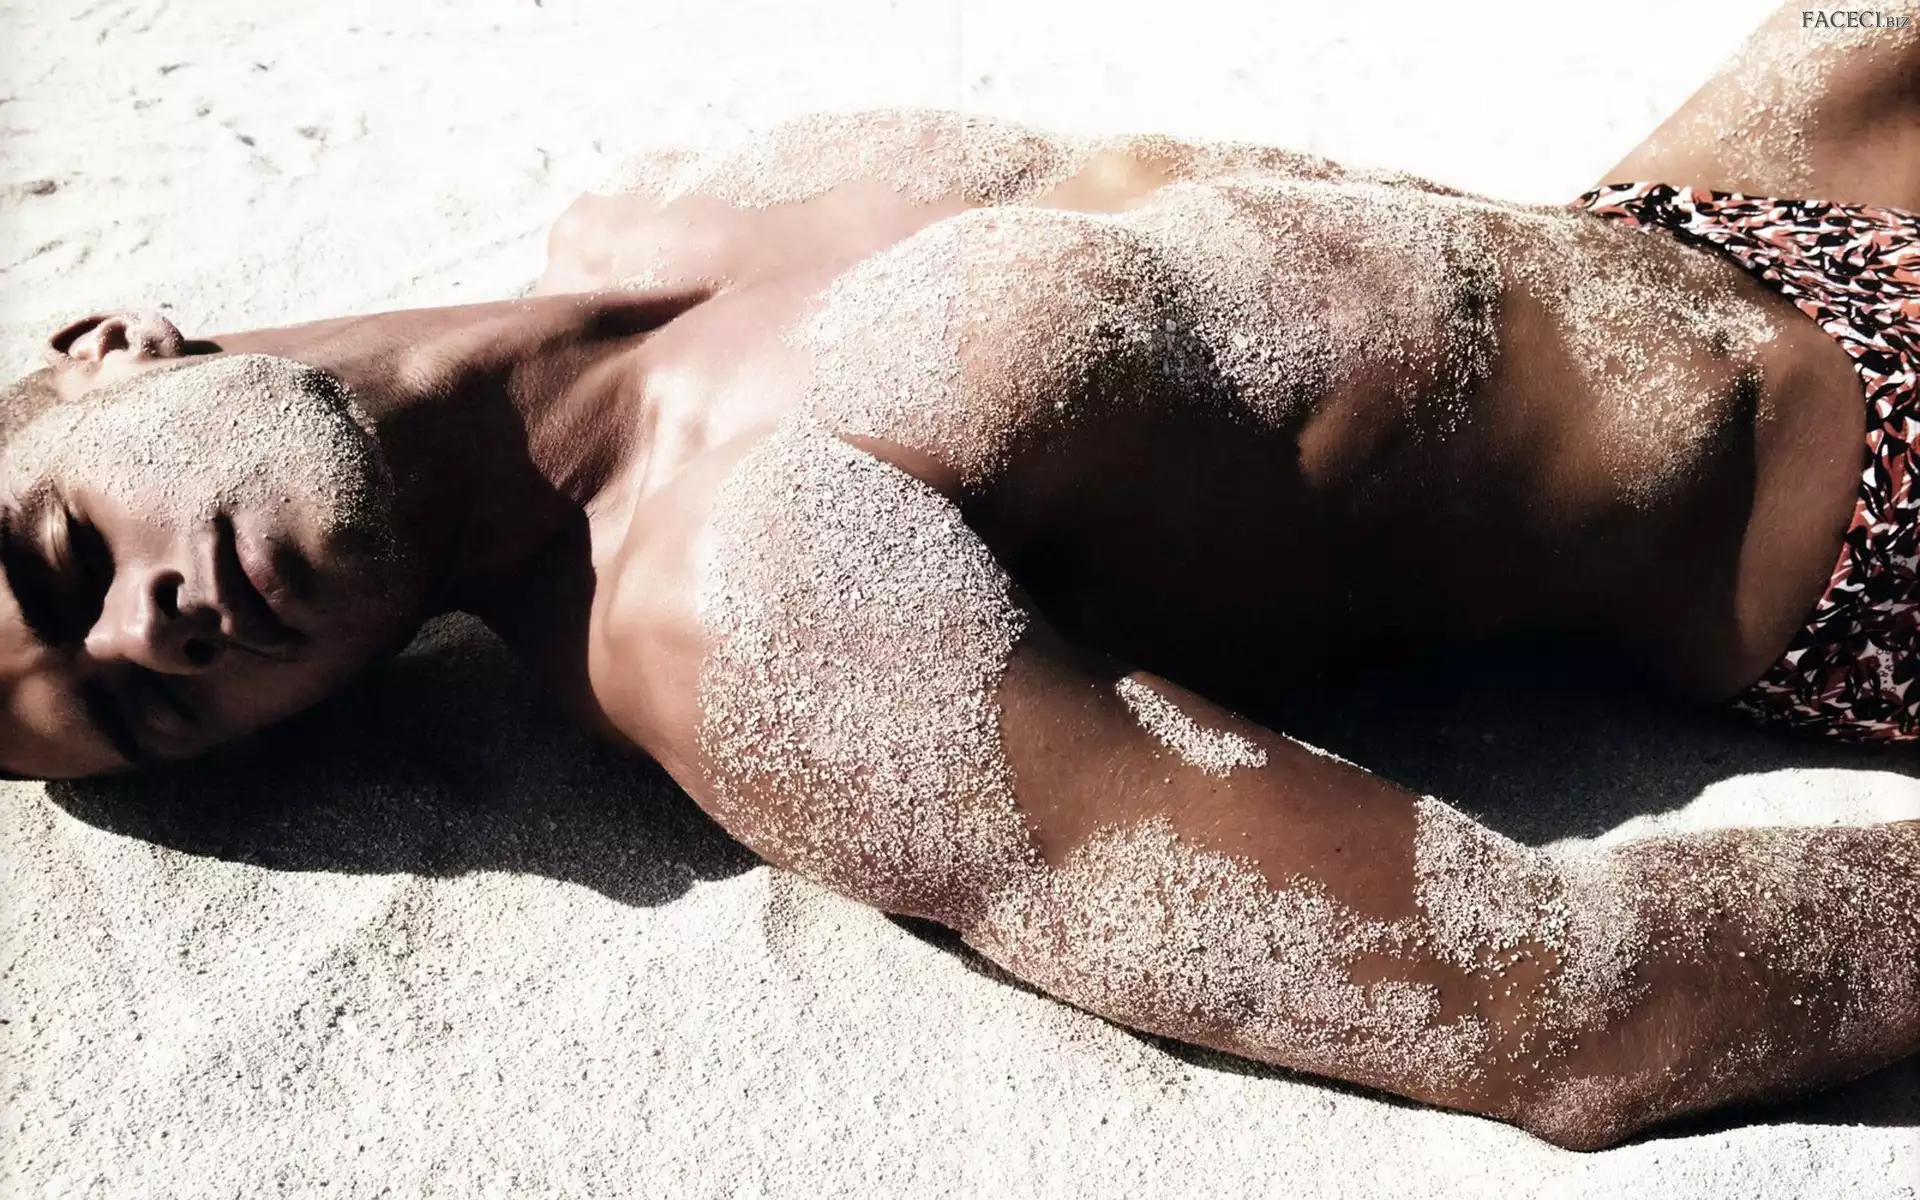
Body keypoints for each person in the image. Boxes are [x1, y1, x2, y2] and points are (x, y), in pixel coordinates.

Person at [2, 2, 1916, 1149]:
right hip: (1848, 520)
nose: (154, 630)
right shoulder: (746, 625)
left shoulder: (668, 202)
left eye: (63, 557)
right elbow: (1569, 1005)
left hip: (1730, 220)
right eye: (149, 715)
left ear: (103, 352)